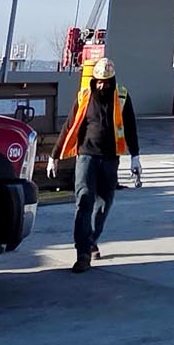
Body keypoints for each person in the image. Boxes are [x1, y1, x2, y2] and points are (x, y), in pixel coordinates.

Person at [55, 58, 139, 272]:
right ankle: (82, 253)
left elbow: (130, 126)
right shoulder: (84, 96)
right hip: (86, 156)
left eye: (106, 82)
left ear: (112, 80)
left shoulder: (122, 96)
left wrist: (135, 156)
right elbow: (69, 125)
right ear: (94, 80)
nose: (102, 86)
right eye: (99, 82)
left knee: (103, 204)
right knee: (84, 201)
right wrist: (54, 155)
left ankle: (91, 238)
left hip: (110, 159)